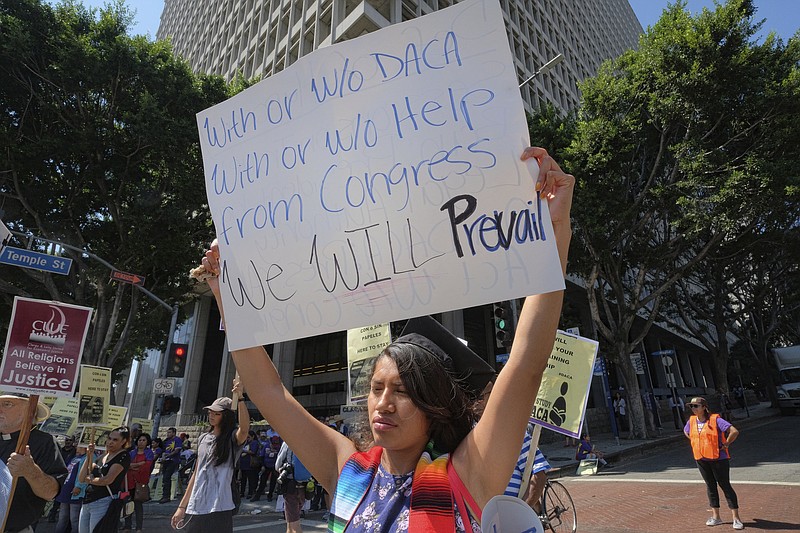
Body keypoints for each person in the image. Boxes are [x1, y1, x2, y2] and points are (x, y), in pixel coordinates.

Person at [199, 146, 573, 531]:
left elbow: (526, 364)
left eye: (403, 390)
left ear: (435, 406)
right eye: (377, 387)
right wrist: (229, 297)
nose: (383, 403)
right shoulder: (347, 470)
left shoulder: (466, 477)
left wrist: (557, 230)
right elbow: (270, 393)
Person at [171, 380, 250, 532]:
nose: (211, 416)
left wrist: (240, 398)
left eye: (217, 413)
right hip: (196, 506)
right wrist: (182, 506)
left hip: (221, 507)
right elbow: (196, 473)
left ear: (226, 416)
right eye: (210, 412)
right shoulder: (203, 438)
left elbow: (245, 429)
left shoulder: (233, 438)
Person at [0, 393, 68, 533]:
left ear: (30, 410)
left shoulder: (45, 442)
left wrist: (30, 471)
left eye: (7, 404)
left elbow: (50, 492)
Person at [683, 396, 744, 530]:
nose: (693, 409)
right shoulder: (692, 421)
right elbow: (686, 431)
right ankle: (716, 517)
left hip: (718, 459)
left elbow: (734, 431)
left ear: (704, 407)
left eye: (696, 406)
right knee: (710, 486)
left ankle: (736, 518)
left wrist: (726, 443)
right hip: (701, 458)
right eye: (691, 406)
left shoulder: (715, 420)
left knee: (725, 485)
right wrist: (695, 441)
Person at [77, 426, 131, 533]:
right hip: (88, 501)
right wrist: (88, 456)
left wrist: (90, 480)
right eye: (109, 438)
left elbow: (107, 480)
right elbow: (81, 477)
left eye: (115, 440)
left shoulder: (123, 456)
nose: (110, 442)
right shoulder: (102, 457)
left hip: (103, 501)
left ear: (123, 441)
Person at [276, 441, 313, 533]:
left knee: (294, 526)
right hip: (305, 486)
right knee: (291, 523)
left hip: (290, 485)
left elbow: (277, 465)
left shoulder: (288, 442)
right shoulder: (309, 442)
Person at [54, 442, 89, 533]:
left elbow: (85, 475)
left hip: (75, 492)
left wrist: (79, 486)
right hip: (65, 490)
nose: (77, 447)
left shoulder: (87, 458)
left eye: (80, 445)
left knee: (74, 518)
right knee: (63, 517)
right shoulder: (73, 457)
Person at [124, 432, 154, 532]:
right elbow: (126, 465)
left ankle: (139, 528)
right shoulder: (132, 452)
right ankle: (127, 526)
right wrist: (139, 464)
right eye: (140, 440)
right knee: (128, 505)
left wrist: (133, 466)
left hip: (140, 483)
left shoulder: (149, 453)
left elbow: (147, 466)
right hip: (129, 483)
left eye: (143, 440)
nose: (141, 442)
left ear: (147, 442)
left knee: (138, 506)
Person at [159, 427, 183, 503]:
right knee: (164, 478)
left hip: (173, 461)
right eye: (167, 432)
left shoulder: (177, 440)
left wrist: (168, 455)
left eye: (169, 432)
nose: (168, 434)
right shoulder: (166, 441)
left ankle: (166, 496)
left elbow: (177, 450)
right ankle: (164, 495)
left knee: (167, 477)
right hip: (166, 461)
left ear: (174, 433)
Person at [238, 430, 260, 498]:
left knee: (251, 480)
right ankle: (242, 492)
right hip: (243, 464)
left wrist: (244, 451)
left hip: (250, 464)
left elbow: (253, 451)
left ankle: (250, 493)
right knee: (243, 480)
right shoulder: (245, 443)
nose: (247, 438)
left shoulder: (254, 442)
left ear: (253, 437)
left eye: (248, 437)